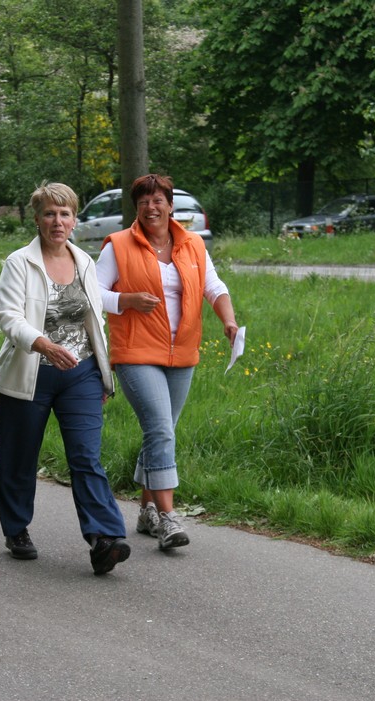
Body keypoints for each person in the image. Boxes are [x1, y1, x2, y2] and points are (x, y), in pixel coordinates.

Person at [0, 181, 130, 575]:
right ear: (37, 219)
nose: (57, 221)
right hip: (30, 372)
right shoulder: (19, 262)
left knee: (86, 455)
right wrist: (43, 345)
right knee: (19, 456)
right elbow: (8, 316)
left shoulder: (85, 262)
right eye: (49, 213)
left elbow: (94, 319)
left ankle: (104, 538)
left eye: (65, 214)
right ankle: (16, 529)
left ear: (75, 220)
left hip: (80, 374)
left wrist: (103, 373)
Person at [96, 174, 238, 550]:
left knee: (162, 432)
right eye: (143, 201)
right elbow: (92, 292)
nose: (151, 207)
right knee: (160, 430)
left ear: (170, 206)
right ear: (136, 208)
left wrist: (228, 320)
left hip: (182, 353)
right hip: (136, 353)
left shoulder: (193, 244)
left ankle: (147, 511)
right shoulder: (118, 246)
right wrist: (126, 300)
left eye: (158, 200)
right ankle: (169, 518)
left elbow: (213, 286)